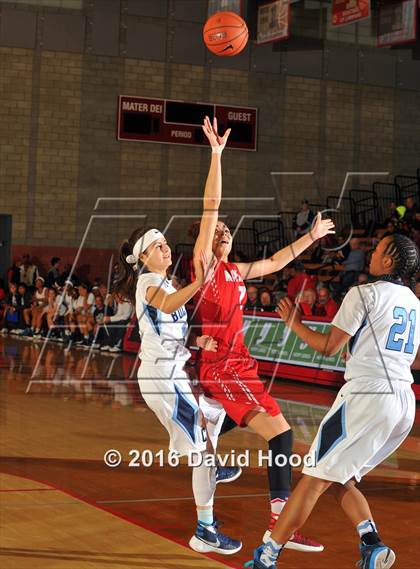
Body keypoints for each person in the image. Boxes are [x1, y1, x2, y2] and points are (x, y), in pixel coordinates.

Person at [193, 121, 335, 552]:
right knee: (281, 435)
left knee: (268, 434)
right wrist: (217, 156)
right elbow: (211, 205)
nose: (222, 231)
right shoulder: (207, 268)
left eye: (225, 230)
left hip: (240, 366)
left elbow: (274, 262)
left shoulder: (237, 271)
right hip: (220, 367)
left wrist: (310, 237)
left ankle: (212, 460)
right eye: (217, 231)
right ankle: (277, 521)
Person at [247, 234, 420, 569]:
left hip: (368, 397)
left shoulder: (363, 293)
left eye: (379, 250)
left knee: (312, 478)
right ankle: (371, 544)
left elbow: (327, 347)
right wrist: (364, 354)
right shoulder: (414, 302)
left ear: (389, 261)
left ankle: (266, 557)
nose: (372, 254)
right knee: (342, 477)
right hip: (402, 403)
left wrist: (294, 323)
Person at [113, 117, 241, 555]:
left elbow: (167, 324)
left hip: (170, 373)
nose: (165, 247)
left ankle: (210, 487)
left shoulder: (164, 284)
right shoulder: (149, 282)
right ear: (142, 256)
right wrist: (200, 285)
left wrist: (194, 344)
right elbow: (167, 308)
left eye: (166, 243)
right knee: (204, 447)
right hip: (162, 379)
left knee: (214, 412)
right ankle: (204, 528)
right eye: (157, 244)